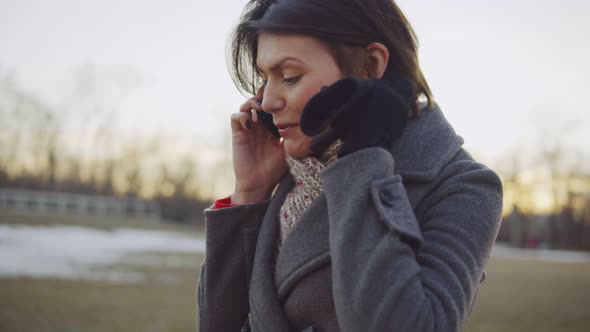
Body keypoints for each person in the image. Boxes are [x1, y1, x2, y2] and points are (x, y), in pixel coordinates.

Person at [197, 0, 503, 331]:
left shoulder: (463, 186)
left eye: (289, 77)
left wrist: (363, 157)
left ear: (370, 65)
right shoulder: (299, 170)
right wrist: (251, 190)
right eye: (264, 77)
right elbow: (217, 324)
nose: (268, 101)